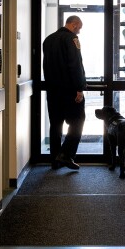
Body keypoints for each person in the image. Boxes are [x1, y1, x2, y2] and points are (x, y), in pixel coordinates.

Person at [42, 15, 86, 170]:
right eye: (79, 27)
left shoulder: (48, 40)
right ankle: (66, 154)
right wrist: (79, 88)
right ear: (74, 25)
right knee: (78, 121)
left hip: (52, 91)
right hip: (69, 91)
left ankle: (55, 160)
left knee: (55, 124)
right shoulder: (71, 39)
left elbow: (46, 66)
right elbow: (75, 65)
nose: (79, 31)